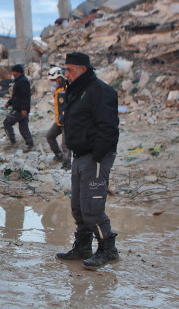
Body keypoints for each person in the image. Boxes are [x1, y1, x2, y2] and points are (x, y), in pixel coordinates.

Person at [56, 52, 120, 270]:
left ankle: (108, 249)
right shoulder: (76, 90)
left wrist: (97, 155)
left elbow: (109, 128)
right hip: (79, 155)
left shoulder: (101, 91)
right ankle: (83, 246)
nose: (66, 74)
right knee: (78, 207)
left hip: (95, 157)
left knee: (92, 208)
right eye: (65, 69)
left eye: (69, 70)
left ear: (83, 69)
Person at [3, 64, 34, 152]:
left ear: (17, 72)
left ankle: (13, 142)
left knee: (7, 123)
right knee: (23, 128)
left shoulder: (22, 81)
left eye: (13, 71)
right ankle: (30, 145)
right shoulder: (19, 80)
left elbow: (25, 96)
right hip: (21, 108)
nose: (12, 73)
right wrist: (9, 103)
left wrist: (24, 109)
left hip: (19, 109)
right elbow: (16, 96)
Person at [45, 66, 71, 170]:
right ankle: (59, 155)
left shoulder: (67, 88)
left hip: (66, 122)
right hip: (59, 120)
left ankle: (67, 164)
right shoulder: (57, 89)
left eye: (52, 80)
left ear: (59, 78)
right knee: (50, 136)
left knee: (65, 144)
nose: (51, 82)